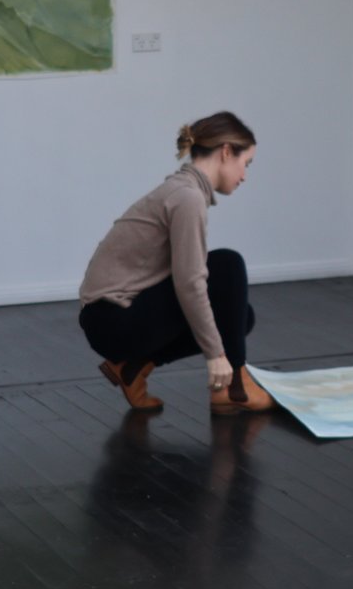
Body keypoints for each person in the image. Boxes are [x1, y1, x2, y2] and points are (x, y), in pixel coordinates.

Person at [78, 111, 274, 416]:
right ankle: (235, 385)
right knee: (227, 265)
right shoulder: (187, 198)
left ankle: (132, 369)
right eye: (245, 164)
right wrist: (218, 356)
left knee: (240, 317)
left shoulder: (184, 191)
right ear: (225, 152)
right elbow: (190, 282)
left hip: (110, 318)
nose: (245, 175)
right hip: (113, 321)